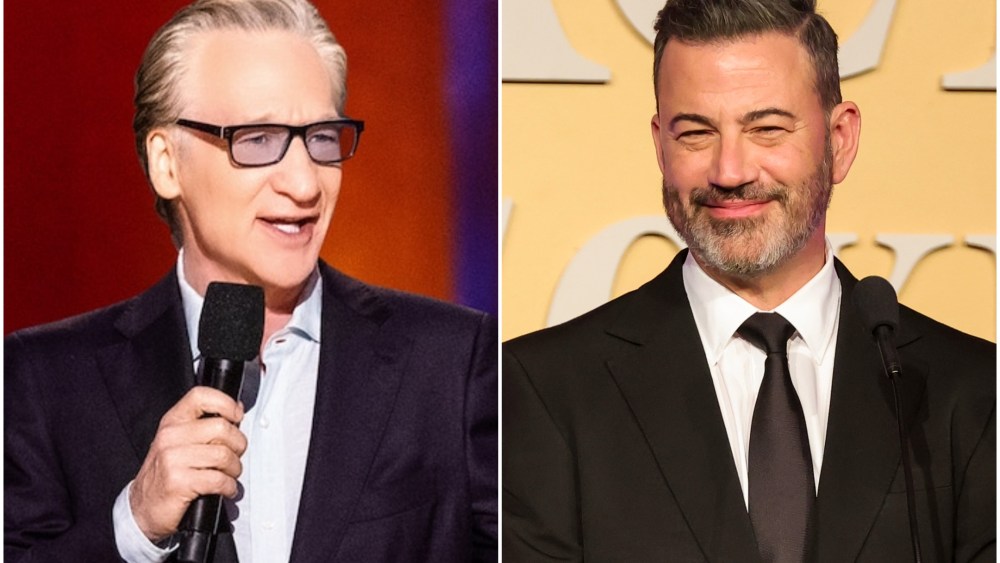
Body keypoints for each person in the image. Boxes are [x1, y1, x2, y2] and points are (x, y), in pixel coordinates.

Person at [502, 0, 994, 561]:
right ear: (660, 145)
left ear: (840, 140)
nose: (729, 171)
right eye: (696, 133)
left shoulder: (973, 391)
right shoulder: (544, 390)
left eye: (767, 129)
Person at [5, 1, 497, 561]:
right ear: (167, 163)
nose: (304, 183)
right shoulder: (45, 380)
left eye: (322, 138)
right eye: (258, 139)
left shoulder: (451, 362)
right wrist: (134, 525)